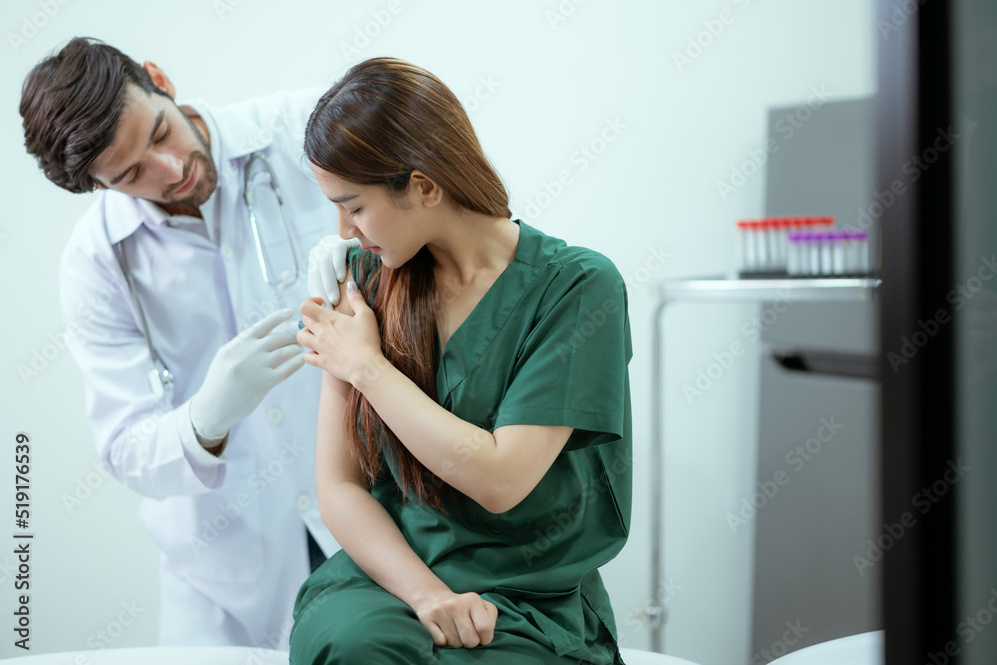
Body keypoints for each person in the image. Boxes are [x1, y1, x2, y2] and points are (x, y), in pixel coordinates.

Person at [290, 57, 633, 664]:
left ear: (424, 186)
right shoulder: (365, 282)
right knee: (354, 647)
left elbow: (501, 480)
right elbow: (338, 485)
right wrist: (426, 594)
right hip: (390, 580)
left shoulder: (577, 288)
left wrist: (367, 366)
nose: (342, 230)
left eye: (355, 206)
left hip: (527, 597)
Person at [19, 37, 354, 649]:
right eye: (131, 174)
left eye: (160, 132)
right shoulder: (97, 265)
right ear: (98, 185)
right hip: (226, 573)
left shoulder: (301, 131)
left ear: (159, 79)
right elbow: (124, 446)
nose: (171, 170)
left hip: (371, 512)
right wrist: (205, 419)